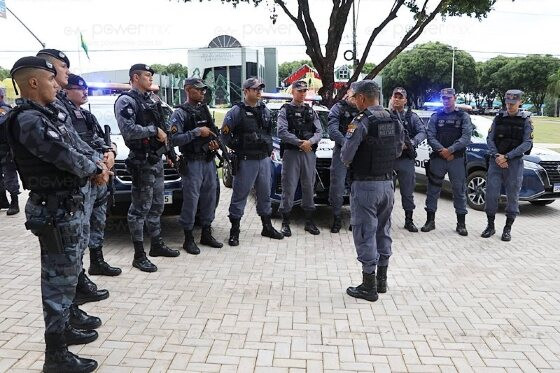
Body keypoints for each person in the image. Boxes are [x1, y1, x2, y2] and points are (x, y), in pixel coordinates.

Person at [5, 56, 112, 373]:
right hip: (54, 212)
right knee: (56, 285)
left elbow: (77, 142)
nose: (56, 84)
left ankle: (64, 330)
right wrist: (97, 168)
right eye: (50, 80)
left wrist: (98, 161)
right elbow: (65, 156)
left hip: (67, 208)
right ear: (34, 83)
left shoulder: (48, 115)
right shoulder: (28, 120)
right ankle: (56, 356)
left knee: (66, 280)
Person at [37, 50, 109, 326]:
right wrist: (96, 167)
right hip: (57, 202)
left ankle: (71, 310)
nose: (62, 76)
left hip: (77, 192)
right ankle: (58, 339)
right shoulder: (35, 116)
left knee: (73, 253)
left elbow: (84, 143)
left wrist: (104, 156)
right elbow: (64, 152)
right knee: (60, 267)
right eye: (60, 69)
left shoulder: (59, 111)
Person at [341, 80, 404, 302]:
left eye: (354, 97)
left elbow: (346, 155)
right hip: (387, 184)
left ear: (361, 98)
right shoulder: (393, 118)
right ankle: (382, 280)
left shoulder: (361, 121)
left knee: (365, 231)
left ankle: (368, 287)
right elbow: (398, 149)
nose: (353, 101)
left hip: (366, 185)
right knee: (383, 229)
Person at [115, 63, 180, 272]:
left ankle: (157, 244)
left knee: (157, 205)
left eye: (151, 75)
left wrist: (169, 152)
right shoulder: (126, 101)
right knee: (139, 209)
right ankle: (138, 254)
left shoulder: (152, 99)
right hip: (141, 161)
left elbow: (164, 127)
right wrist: (154, 131)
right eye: (147, 75)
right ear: (135, 77)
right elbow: (128, 131)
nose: (151, 78)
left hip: (156, 159)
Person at [65, 73, 121, 276]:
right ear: (66, 90)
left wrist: (110, 153)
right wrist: (96, 168)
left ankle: (97, 261)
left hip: (100, 177)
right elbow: (71, 149)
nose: (84, 92)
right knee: (81, 227)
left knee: (98, 221)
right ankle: (78, 276)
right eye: (79, 88)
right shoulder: (63, 117)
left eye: (85, 88)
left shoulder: (87, 115)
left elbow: (101, 139)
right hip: (83, 179)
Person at [220, 77, 284, 246]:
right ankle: (235, 231)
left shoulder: (265, 110)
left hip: (263, 160)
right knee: (240, 195)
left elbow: (269, 133)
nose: (258, 91)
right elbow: (224, 136)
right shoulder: (235, 111)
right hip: (246, 160)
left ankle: (267, 226)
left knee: (265, 194)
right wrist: (240, 146)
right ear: (246, 91)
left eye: (260, 88)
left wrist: (268, 148)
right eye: (255, 89)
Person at [170, 77, 223, 255]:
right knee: (191, 200)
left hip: (207, 159)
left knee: (210, 197)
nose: (202, 92)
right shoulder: (180, 113)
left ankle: (206, 232)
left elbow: (213, 131)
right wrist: (197, 132)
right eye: (198, 89)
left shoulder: (204, 109)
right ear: (188, 90)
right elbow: (174, 140)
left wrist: (214, 142)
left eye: (203, 90)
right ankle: (188, 238)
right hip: (192, 161)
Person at [482, 89, 533, 241]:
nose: (510, 106)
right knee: (491, 194)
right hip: (496, 161)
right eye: (508, 103)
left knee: (513, 196)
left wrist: (508, 157)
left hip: (514, 163)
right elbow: (489, 139)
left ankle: (507, 228)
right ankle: (490, 226)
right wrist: (498, 156)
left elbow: (527, 143)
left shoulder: (526, 120)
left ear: (520, 102)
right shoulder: (498, 118)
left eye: (513, 103)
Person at [421, 88, 472, 236]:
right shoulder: (436, 116)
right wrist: (442, 150)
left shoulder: (463, 116)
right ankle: (430, 221)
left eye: (448, 98)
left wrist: (450, 150)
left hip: (456, 158)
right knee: (432, 190)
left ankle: (461, 224)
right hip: (438, 158)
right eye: (443, 98)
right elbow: (430, 136)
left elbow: (466, 137)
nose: (446, 100)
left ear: (454, 98)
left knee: (459, 191)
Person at [277, 80, 323, 236]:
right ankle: (285, 222)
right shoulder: (285, 110)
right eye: (299, 91)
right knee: (288, 186)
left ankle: (309, 222)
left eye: (304, 91)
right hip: (292, 153)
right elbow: (281, 132)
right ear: (293, 92)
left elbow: (319, 132)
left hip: (308, 153)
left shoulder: (311, 111)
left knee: (309, 186)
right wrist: (299, 143)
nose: (302, 93)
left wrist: (309, 142)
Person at [390, 87, 426, 232]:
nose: (397, 99)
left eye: (400, 97)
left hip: (406, 159)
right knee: (387, 192)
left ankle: (409, 220)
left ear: (405, 100)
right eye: (395, 96)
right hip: (389, 159)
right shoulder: (386, 115)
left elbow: (422, 132)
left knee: (407, 191)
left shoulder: (412, 117)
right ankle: (385, 220)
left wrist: (411, 143)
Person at [327, 86, 359, 233]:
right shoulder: (337, 108)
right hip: (341, 151)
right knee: (337, 186)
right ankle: (336, 218)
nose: (355, 97)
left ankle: (355, 219)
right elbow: (332, 131)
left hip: (358, 154)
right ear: (348, 93)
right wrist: (347, 144)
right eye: (353, 94)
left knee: (356, 187)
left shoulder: (362, 108)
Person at [0, 87, 21, 215]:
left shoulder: (4, 110)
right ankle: (3, 200)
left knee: (9, 177)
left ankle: (15, 202)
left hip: (6, 150)